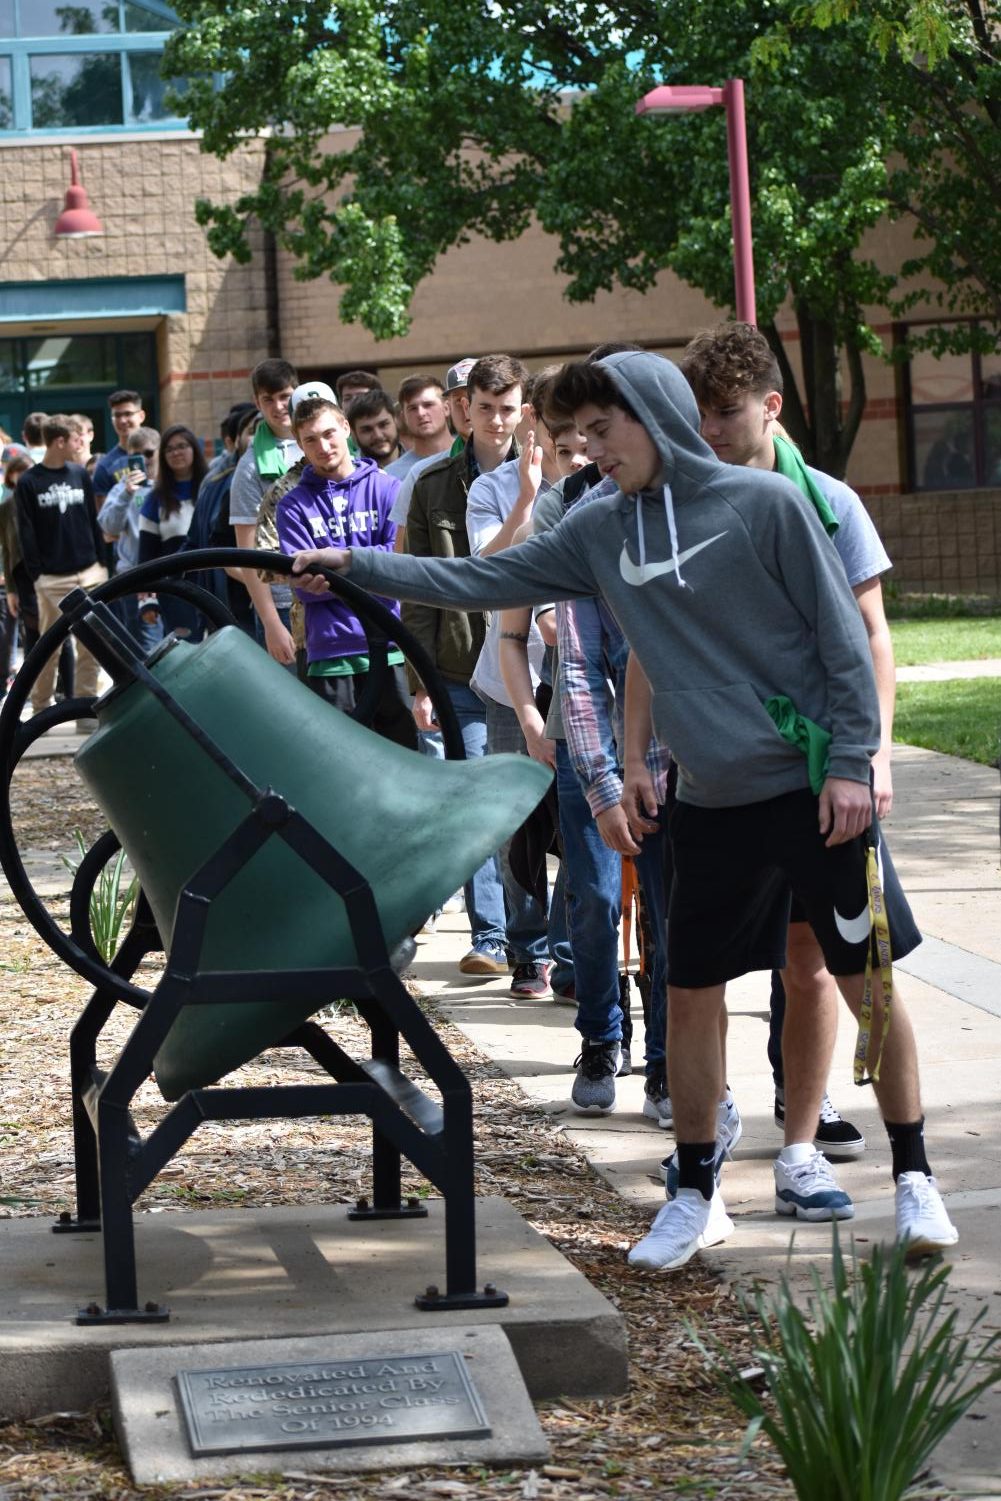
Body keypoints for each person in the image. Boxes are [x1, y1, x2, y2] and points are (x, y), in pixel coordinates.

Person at [290, 349, 959, 1272]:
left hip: (813, 793)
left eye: (601, 431)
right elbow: (489, 582)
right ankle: (692, 1193)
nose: (587, 451)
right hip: (708, 803)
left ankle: (916, 1181)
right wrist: (356, 566)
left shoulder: (767, 507)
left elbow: (845, 641)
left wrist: (852, 762)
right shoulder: (598, 527)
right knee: (688, 998)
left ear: (654, 414)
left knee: (864, 979)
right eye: (573, 438)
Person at [660, 322, 909, 1219]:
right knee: (700, 972)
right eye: (698, 416)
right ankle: (702, 1136)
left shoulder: (831, 503)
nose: (711, 431)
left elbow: (870, 634)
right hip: (723, 780)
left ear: (769, 406)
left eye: (725, 413)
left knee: (815, 963)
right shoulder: (681, 508)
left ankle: (799, 1147)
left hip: (819, 776)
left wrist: (870, 751)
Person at [403, 352, 527, 984]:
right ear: (463, 409)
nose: (497, 423)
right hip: (457, 669)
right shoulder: (431, 486)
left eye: (508, 410)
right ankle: (492, 935)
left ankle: (536, 938)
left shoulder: (549, 472)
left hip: (526, 670)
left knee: (528, 812)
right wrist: (421, 680)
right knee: (479, 802)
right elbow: (420, 593)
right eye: (485, 409)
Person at [276, 391, 417, 748]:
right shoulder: (292, 506)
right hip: (329, 652)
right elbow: (303, 585)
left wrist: (333, 566)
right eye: (310, 440)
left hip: (389, 645)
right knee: (341, 759)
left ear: (345, 427)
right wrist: (371, 568)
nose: (323, 446)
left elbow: (397, 564)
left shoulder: (388, 488)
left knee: (401, 756)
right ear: (300, 445)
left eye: (328, 433)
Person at [13, 413, 107, 728]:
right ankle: (42, 709)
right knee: (48, 649)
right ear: (60, 441)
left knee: (91, 645)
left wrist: (101, 562)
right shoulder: (28, 482)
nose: (81, 444)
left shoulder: (80, 474)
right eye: (76, 439)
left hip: (90, 572)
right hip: (51, 578)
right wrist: (38, 573)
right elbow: (24, 532)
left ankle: (85, 710)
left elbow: (92, 521)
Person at [228, 358, 303, 667]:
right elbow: (247, 556)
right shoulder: (249, 469)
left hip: (335, 595)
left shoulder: (328, 442)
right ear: (257, 402)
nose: (278, 406)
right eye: (268, 399)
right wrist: (272, 624)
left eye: (284, 396)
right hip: (284, 605)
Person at [137, 424, 208, 640]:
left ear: (194, 449)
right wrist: (147, 600)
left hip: (215, 587)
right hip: (177, 594)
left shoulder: (211, 489)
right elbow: (146, 556)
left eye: (182, 446)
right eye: (169, 449)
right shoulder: (154, 500)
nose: (176, 452)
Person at [98, 426, 164, 654]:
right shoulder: (122, 489)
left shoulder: (169, 484)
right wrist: (126, 494)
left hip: (169, 573)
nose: (143, 460)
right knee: (144, 649)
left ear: (159, 452)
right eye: (135, 456)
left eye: (148, 453)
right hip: (134, 578)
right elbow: (108, 527)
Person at [387, 377, 453, 482]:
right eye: (412, 408)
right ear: (404, 417)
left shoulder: (475, 453)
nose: (421, 413)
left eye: (428, 405)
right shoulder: (391, 476)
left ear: (447, 408)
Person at [91, 390, 147, 505]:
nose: (122, 420)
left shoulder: (159, 454)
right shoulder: (105, 466)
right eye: (117, 415)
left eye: (128, 414)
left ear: (141, 416)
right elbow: (104, 518)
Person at [347, 389, 404, 469]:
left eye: (383, 425)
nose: (378, 436)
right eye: (367, 430)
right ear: (354, 434)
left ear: (396, 421)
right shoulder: (351, 476)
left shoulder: (421, 466)